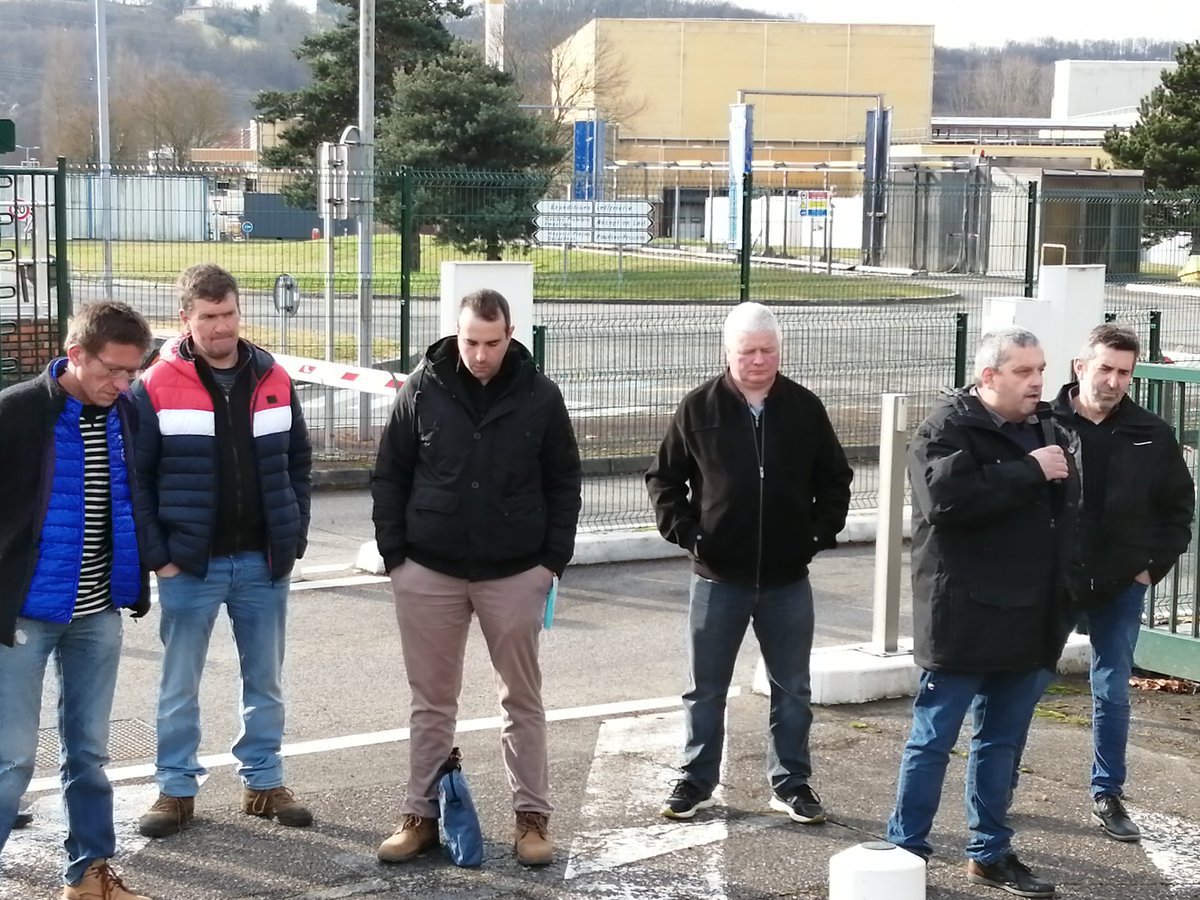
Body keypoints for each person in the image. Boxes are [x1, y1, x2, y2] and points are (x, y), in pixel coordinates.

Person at [371, 289, 581, 867]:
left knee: (522, 700)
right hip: (428, 571)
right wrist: (397, 558)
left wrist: (549, 564)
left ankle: (532, 819)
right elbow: (390, 472)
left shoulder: (540, 397)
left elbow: (565, 482)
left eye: (492, 342)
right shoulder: (422, 387)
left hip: (515, 573)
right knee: (431, 701)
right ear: (455, 333)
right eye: (470, 342)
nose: (481, 354)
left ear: (511, 334)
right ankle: (420, 815)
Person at [885, 327, 1080, 899]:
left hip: (1030, 618)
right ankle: (906, 852)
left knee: (1002, 743)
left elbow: (1066, 515)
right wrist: (1029, 470)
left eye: (1041, 369)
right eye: (1024, 372)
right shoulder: (945, 429)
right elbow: (945, 501)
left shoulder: (1046, 427)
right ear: (989, 376)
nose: (1038, 382)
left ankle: (990, 852)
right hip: (963, 618)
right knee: (933, 739)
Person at [645, 301, 852, 825]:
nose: (759, 361)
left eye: (768, 351)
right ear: (727, 352)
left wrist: (816, 534)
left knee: (792, 688)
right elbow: (664, 481)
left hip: (787, 579)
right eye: (748, 352)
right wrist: (692, 537)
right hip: (717, 579)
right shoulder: (698, 409)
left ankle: (792, 783)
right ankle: (696, 780)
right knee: (705, 687)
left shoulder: (804, 408)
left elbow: (835, 479)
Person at [130, 263, 313, 839]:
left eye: (229, 314)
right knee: (179, 683)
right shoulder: (155, 384)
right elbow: (136, 478)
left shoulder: (273, 376)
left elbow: (298, 462)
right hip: (191, 565)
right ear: (186, 318)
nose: (221, 327)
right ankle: (176, 789)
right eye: (209, 317)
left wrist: (292, 534)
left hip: (263, 561)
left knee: (266, 679)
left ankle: (263, 782)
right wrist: (161, 555)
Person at [0, 300, 154, 900]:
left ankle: (89, 875)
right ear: (75, 355)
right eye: (110, 371)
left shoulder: (128, 413)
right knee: (11, 761)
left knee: (88, 754)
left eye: (131, 373)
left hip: (97, 613)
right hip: (23, 618)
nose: (121, 384)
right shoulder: (17, 413)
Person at [1050, 324, 1193, 841]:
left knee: (1112, 688)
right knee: (1018, 684)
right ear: (1079, 366)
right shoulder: (1043, 424)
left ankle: (1107, 792)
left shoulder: (1151, 432)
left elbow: (1178, 507)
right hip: (1052, 582)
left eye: (1124, 373)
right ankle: (997, 789)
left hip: (1120, 582)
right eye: (1104, 368)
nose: (1112, 381)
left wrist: (1150, 568)